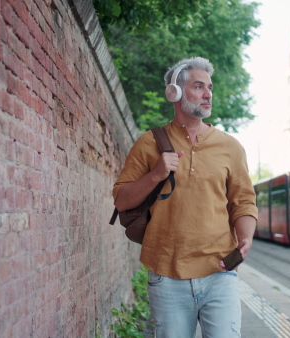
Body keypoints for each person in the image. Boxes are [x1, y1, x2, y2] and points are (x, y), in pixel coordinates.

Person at [112, 57, 258, 337]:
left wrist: (246, 237)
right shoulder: (149, 142)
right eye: (199, 86)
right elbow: (121, 200)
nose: (208, 94)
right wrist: (155, 174)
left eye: (210, 88)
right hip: (166, 275)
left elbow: (244, 202)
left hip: (220, 272)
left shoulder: (231, 147)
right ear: (175, 93)